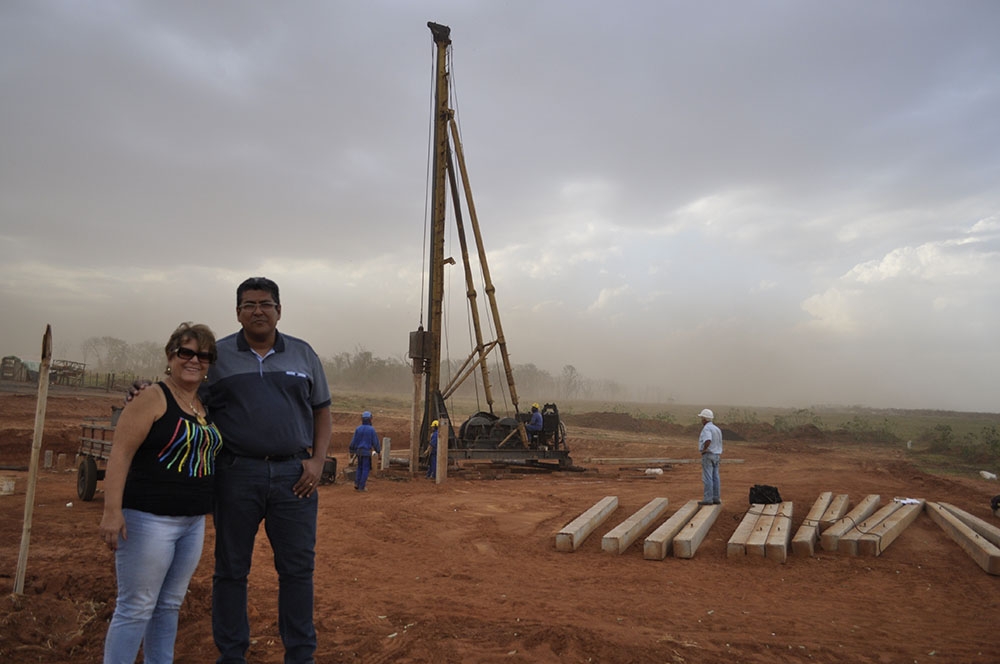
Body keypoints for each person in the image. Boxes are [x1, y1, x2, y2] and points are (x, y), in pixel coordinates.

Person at [207, 277, 332, 664]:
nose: (257, 310)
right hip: (236, 476)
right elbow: (186, 396)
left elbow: (322, 411)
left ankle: (300, 655)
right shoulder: (219, 356)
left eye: (265, 303)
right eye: (248, 304)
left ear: (279, 310)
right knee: (231, 570)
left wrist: (316, 460)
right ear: (237, 312)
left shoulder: (303, 354)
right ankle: (231, 655)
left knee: (297, 571)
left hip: (295, 479)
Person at [100, 323, 223, 664]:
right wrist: (112, 511)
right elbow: (120, 453)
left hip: (192, 522)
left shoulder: (201, 404)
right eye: (186, 352)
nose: (194, 360)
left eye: (203, 355)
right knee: (136, 606)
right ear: (171, 356)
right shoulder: (152, 397)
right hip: (147, 521)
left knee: (169, 605)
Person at [348, 411, 381, 491]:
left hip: (358, 452)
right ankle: (361, 487)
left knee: (359, 467)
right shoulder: (371, 430)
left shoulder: (358, 429)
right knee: (365, 469)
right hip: (366, 452)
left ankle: (357, 483)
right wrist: (378, 451)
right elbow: (375, 442)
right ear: (370, 419)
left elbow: (353, 441)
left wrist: (351, 451)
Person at [697, 408, 723, 506]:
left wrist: (704, 449)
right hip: (716, 455)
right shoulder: (717, 429)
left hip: (708, 455)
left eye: (702, 418)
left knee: (707, 477)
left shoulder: (707, 429)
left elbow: (708, 440)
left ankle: (708, 499)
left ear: (704, 419)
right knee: (715, 477)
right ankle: (716, 498)